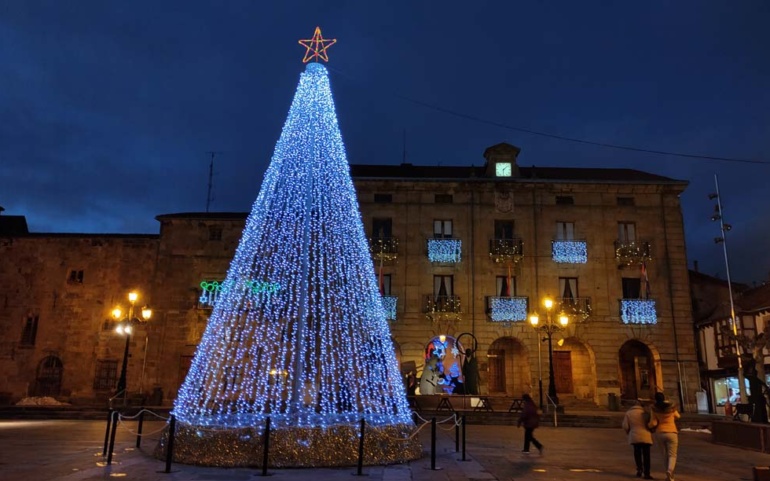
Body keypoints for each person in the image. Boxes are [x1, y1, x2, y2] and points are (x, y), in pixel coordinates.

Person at [648, 392, 681, 481]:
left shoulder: (654, 409)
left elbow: (653, 423)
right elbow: (678, 416)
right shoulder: (671, 408)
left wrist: (648, 426)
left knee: (664, 454)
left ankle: (668, 476)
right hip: (672, 432)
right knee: (672, 454)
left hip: (660, 433)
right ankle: (670, 471)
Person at [622, 400, 654, 479]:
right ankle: (647, 473)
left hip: (634, 435)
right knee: (646, 455)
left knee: (637, 453)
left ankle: (639, 469)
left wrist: (628, 431)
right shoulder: (646, 413)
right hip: (646, 435)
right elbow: (651, 423)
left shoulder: (629, 413)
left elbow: (625, 426)